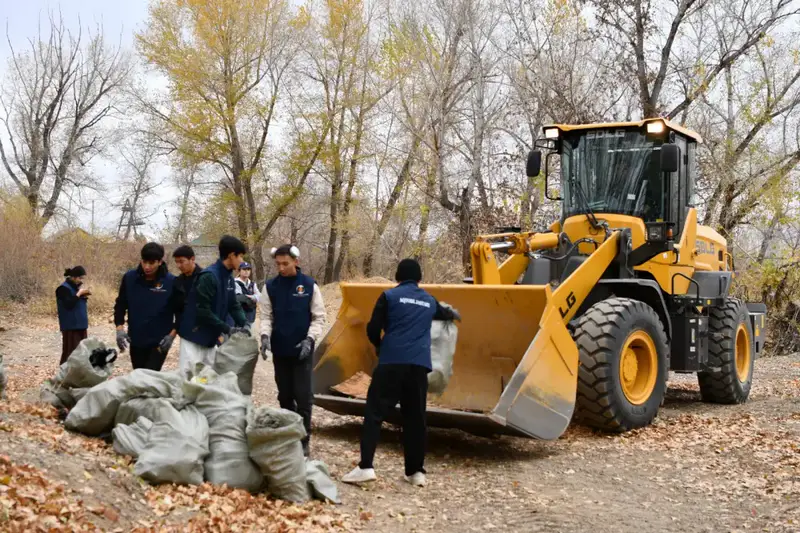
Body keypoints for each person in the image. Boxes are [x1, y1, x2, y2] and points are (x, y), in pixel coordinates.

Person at [342, 258, 459, 487]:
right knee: (415, 419)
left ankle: (366, 467)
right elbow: (446, 315)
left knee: (375, 413)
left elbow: (373, 328)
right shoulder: (428, 300)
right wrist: (453, 314)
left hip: (392, 362)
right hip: (419, 366)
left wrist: (378, 344)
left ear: (397, 276)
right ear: (419, 278)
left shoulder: (389, 296)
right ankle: (416, 472)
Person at [259, 244, 326, 457]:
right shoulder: (270, 287)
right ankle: (290, 435)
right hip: (281, 349)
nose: (281, 268)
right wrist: (264, 336)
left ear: (296, 261)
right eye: (278, 264)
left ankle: (304, 440)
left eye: (285, 263)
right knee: (285, 395)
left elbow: (318, 317)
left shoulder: (309, 286)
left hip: (303, 350)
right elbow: (266, 316)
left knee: (304, 397)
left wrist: (310, 339)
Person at [177, 235, 250, 377]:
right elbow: (203, 311)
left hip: (210, 339)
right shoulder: (209, 276)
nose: (242, 261)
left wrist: (245, 323)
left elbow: (233, 304)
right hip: (194, 338)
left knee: (209, 381)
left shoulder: (228, 277)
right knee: (189, 381)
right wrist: (228, 328)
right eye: (240, 256)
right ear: (231, 255)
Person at [114, 243, 177, 371]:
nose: (147, 267)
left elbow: (181, 311)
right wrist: (119, 329)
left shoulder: (171, 282)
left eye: (152, 263)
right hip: (136, 339)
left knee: (149, 377)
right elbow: (120, 305)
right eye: (144, 262)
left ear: (160, 262)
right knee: (139, 376)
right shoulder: (130, 278)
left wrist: (171, 335)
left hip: (159, 342)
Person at [56, 266, 90, 365]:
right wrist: (78, 294)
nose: (81, 280)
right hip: (70, 326)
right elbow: (68, 304)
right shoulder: (62, 289)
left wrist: (82, 295)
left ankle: (79, 374)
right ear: (73, 277)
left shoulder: (76, 288)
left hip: (81, 325)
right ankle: (64, 374)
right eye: (79, 278)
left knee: (82, 352)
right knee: (70, 353)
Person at [171, 245, 203, 334]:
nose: (178, 265)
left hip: (205, 329)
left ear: (192, 259)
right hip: (186, 330)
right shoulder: (178, 281)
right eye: (176, 262)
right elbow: (178, 310)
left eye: (181, 261)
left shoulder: (205, 278)